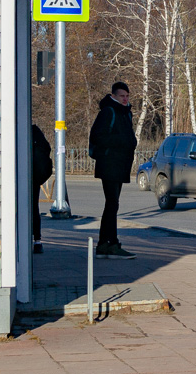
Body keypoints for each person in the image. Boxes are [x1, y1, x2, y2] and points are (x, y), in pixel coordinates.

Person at [89, 82, 137, 259]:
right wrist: (121, 142)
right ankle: (111, 243)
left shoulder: (126, 113)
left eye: (127, 96)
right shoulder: (108, 112)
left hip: (120, 164)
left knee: (113, 204)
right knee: (112, 203)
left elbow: (127, 136)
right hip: (109, 163)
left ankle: (105, 244)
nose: (125, 99)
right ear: (114, 96)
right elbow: (97, 136)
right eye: (122, 96)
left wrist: (131, 142)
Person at [30, 122, 53, 254]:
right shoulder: (35, 131)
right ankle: (37, 240)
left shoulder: (14, 130)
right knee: (34, 208)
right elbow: (46, 150)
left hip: (20, 175)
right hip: (34, 176)